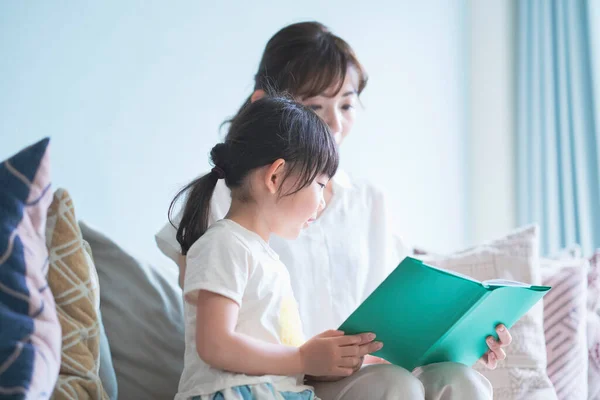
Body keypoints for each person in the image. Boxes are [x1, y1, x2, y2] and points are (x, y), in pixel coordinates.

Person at [159, 22, 510, 400]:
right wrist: (304, 357)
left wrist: (460, 343)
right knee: (394, 386)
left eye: (346, 104)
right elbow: (214, 336)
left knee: (458, 378)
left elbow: (396, 328)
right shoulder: (223, 213)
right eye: (313, 107)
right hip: (273, 378)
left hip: (347, 371)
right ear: (267, 106)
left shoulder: (369, 201)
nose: (335, 124)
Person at [174, 95, 381, 400]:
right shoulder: (224, 243)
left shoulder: (265, 257)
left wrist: (321, 358)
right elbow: (214, 344)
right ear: (275, 176)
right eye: (320, 185)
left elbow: (269, 348)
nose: (323, 200)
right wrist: (302, 358)